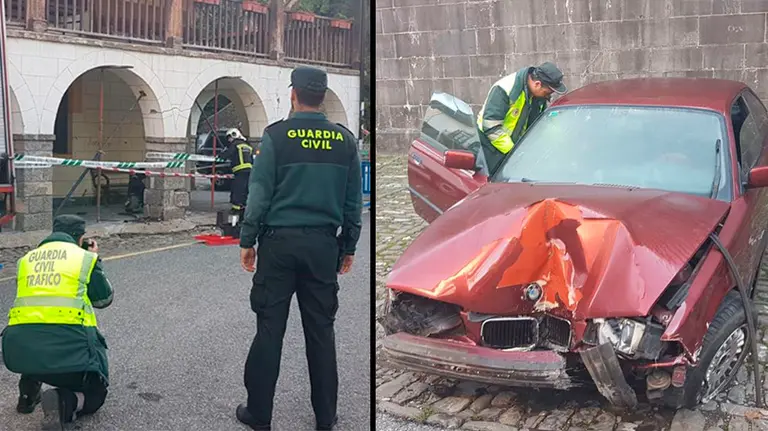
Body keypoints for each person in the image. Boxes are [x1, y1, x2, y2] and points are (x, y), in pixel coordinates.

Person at [236, 65, 362, 431]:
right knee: (321, 331)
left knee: (269, 329)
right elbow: (353, 201)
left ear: (294, 94)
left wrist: (247, 240)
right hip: (323, 245)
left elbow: (258, 196)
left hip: (278, 244)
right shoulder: (344, 141)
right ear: (321, 96)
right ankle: (325, 417)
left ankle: (259, 413)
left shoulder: (276, 137)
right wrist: (349, 245)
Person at [2, 214, 114, 430]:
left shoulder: (26, 260)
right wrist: (95, 260)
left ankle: (27, 395)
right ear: (80, 238)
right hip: (68, 351)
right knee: (96, 395)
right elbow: (104, 299)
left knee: (36, 330)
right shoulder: (84, 258)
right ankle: (64, 401)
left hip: (21, 350)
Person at [476, 61, 567, 173]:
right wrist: (514, 153)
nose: (549, 96)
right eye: (548, 92)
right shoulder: (505, 89)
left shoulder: (536, 95)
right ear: (537, 84)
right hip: (490, 146)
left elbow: (539, 125)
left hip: (514, 147)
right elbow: (491, 128)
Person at [219, 128, 254, 222]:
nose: (229, 140)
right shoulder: (247, 146)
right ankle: (244, 211)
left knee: (237, 192)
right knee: (245, 192)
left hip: (240, 172)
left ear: (234, 135)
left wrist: (221, 155)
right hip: (249, 172)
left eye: (229, 138)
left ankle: (236, 212)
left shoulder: (235, 145)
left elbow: (226, 155)